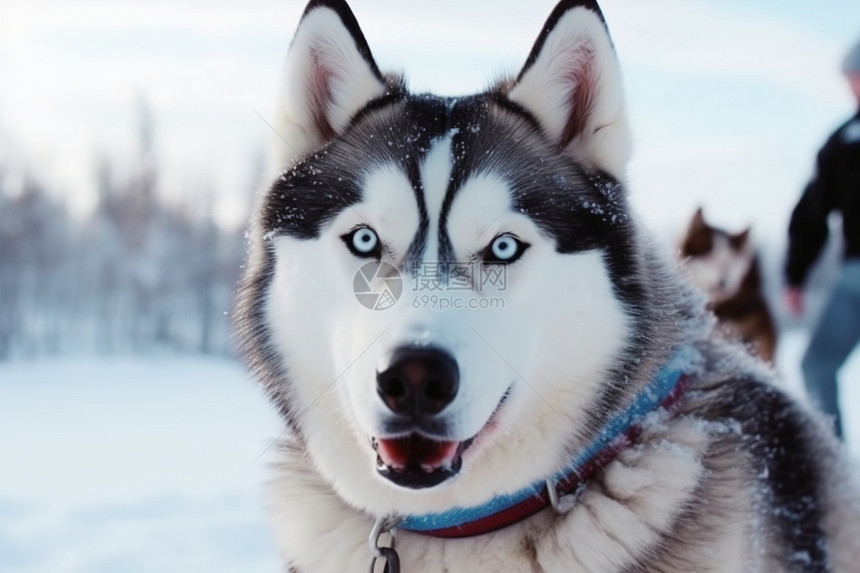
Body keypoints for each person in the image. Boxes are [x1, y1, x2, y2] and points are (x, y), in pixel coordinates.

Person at [784, 37, 860, 439]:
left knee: (816, 364)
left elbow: (811, 213)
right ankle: (834, 469)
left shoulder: (843, 138)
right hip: (852, 278)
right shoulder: (842, 140)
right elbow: (812, 212)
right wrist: (795, 276)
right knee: (816, 364)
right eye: (852, 78)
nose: (853, 86)